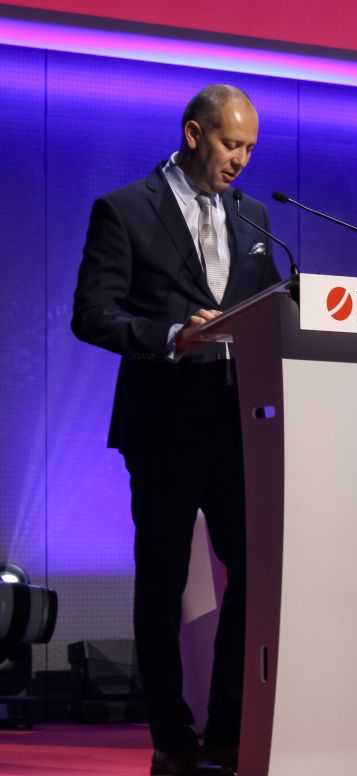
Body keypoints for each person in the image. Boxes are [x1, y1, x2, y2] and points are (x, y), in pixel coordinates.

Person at [72, 85, 281, 776]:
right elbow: (92, 313)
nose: (240, 160)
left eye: (249, 148)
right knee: (161, 580)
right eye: (230, 144)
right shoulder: (125, 209)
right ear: (194, 134)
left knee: (253, 572)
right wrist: (171, 337)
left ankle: (228, 729)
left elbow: (268, 308)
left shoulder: (253, 218)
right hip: (162, 422)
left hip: (239, 426)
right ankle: (172, 737)